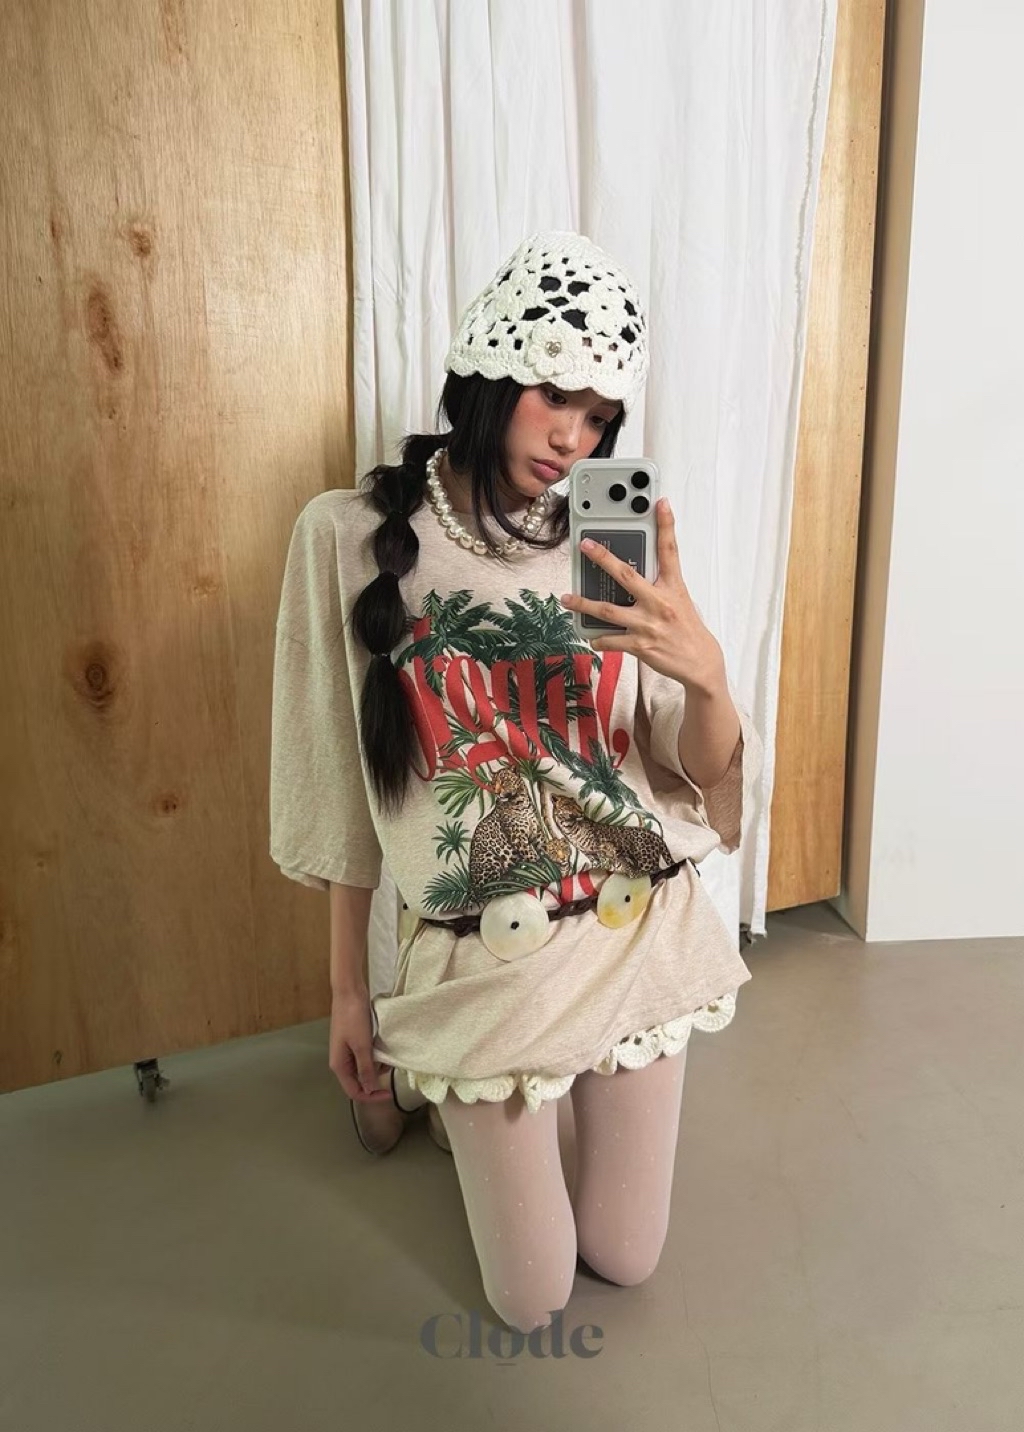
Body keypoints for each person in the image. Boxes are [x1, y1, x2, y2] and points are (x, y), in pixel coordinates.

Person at [270, 230, 761, 1335]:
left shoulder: (611, 523)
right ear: (491, 372)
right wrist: (348, 995)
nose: (574, 436)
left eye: (600, 415)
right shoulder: (345, 536)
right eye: (556, 396)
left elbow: (690, 771)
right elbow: (340, 790)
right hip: (483, 945)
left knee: (625, 1257)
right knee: (533, 1297)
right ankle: (447, 1077)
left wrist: (708, 675)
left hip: (635, 919)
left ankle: (496, 1091)